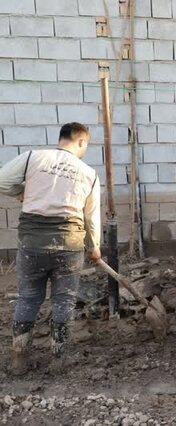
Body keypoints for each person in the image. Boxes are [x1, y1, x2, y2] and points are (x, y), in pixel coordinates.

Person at [0, 122, 101, 375]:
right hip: (69, 245)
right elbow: (91, 218)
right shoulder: (88, 173)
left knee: (29, 298)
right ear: (81, 142)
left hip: (32, 244)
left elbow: (2, 181)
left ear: (60, 138)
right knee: (63, 301)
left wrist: (22, 193)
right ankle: (58, 360)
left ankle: (19, 358)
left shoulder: (33, 157)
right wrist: (94, 247)